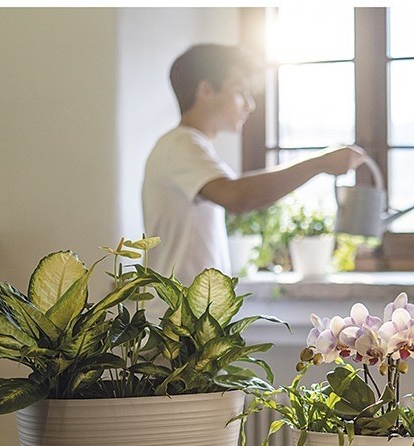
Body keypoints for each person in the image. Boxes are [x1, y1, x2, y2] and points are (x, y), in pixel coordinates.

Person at [142, 43, 366, 283]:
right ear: (206, 90)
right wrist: (320, 163)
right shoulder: (180, 145)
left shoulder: (192, 147)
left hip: (189, 316)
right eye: (240, 91)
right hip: (174, 317)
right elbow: (237, 196)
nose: (250, 104)